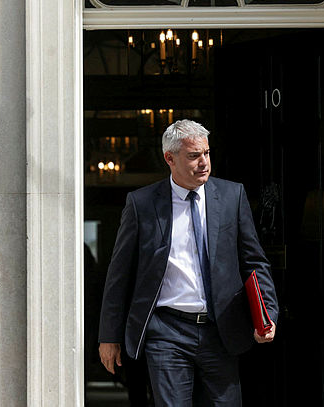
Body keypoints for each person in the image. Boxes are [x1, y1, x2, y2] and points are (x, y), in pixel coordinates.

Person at [98, 119, 278, 406]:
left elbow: (254, 261)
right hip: (166, 331)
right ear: (170, 158)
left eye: (206, 153)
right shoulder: (142, 203)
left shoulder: (232, 196)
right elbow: (119, 274)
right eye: (194, 156)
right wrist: (109, 336)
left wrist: (267, 313)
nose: (204, 162)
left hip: (221, 329)